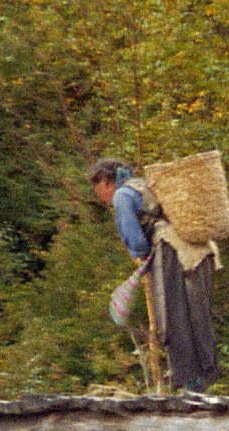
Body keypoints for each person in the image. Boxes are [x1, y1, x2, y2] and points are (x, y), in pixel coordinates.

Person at [91, 158, 220, 391]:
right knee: (196, 315)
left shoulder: (122, 196)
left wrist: (140, 256)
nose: (100, 196)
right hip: (192, 251)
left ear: (106, 182)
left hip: (167, 250)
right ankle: (203, 375)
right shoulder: (143, 185)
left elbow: (137, 241)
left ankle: (191, 384)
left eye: (99, 189)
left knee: (173, 316)